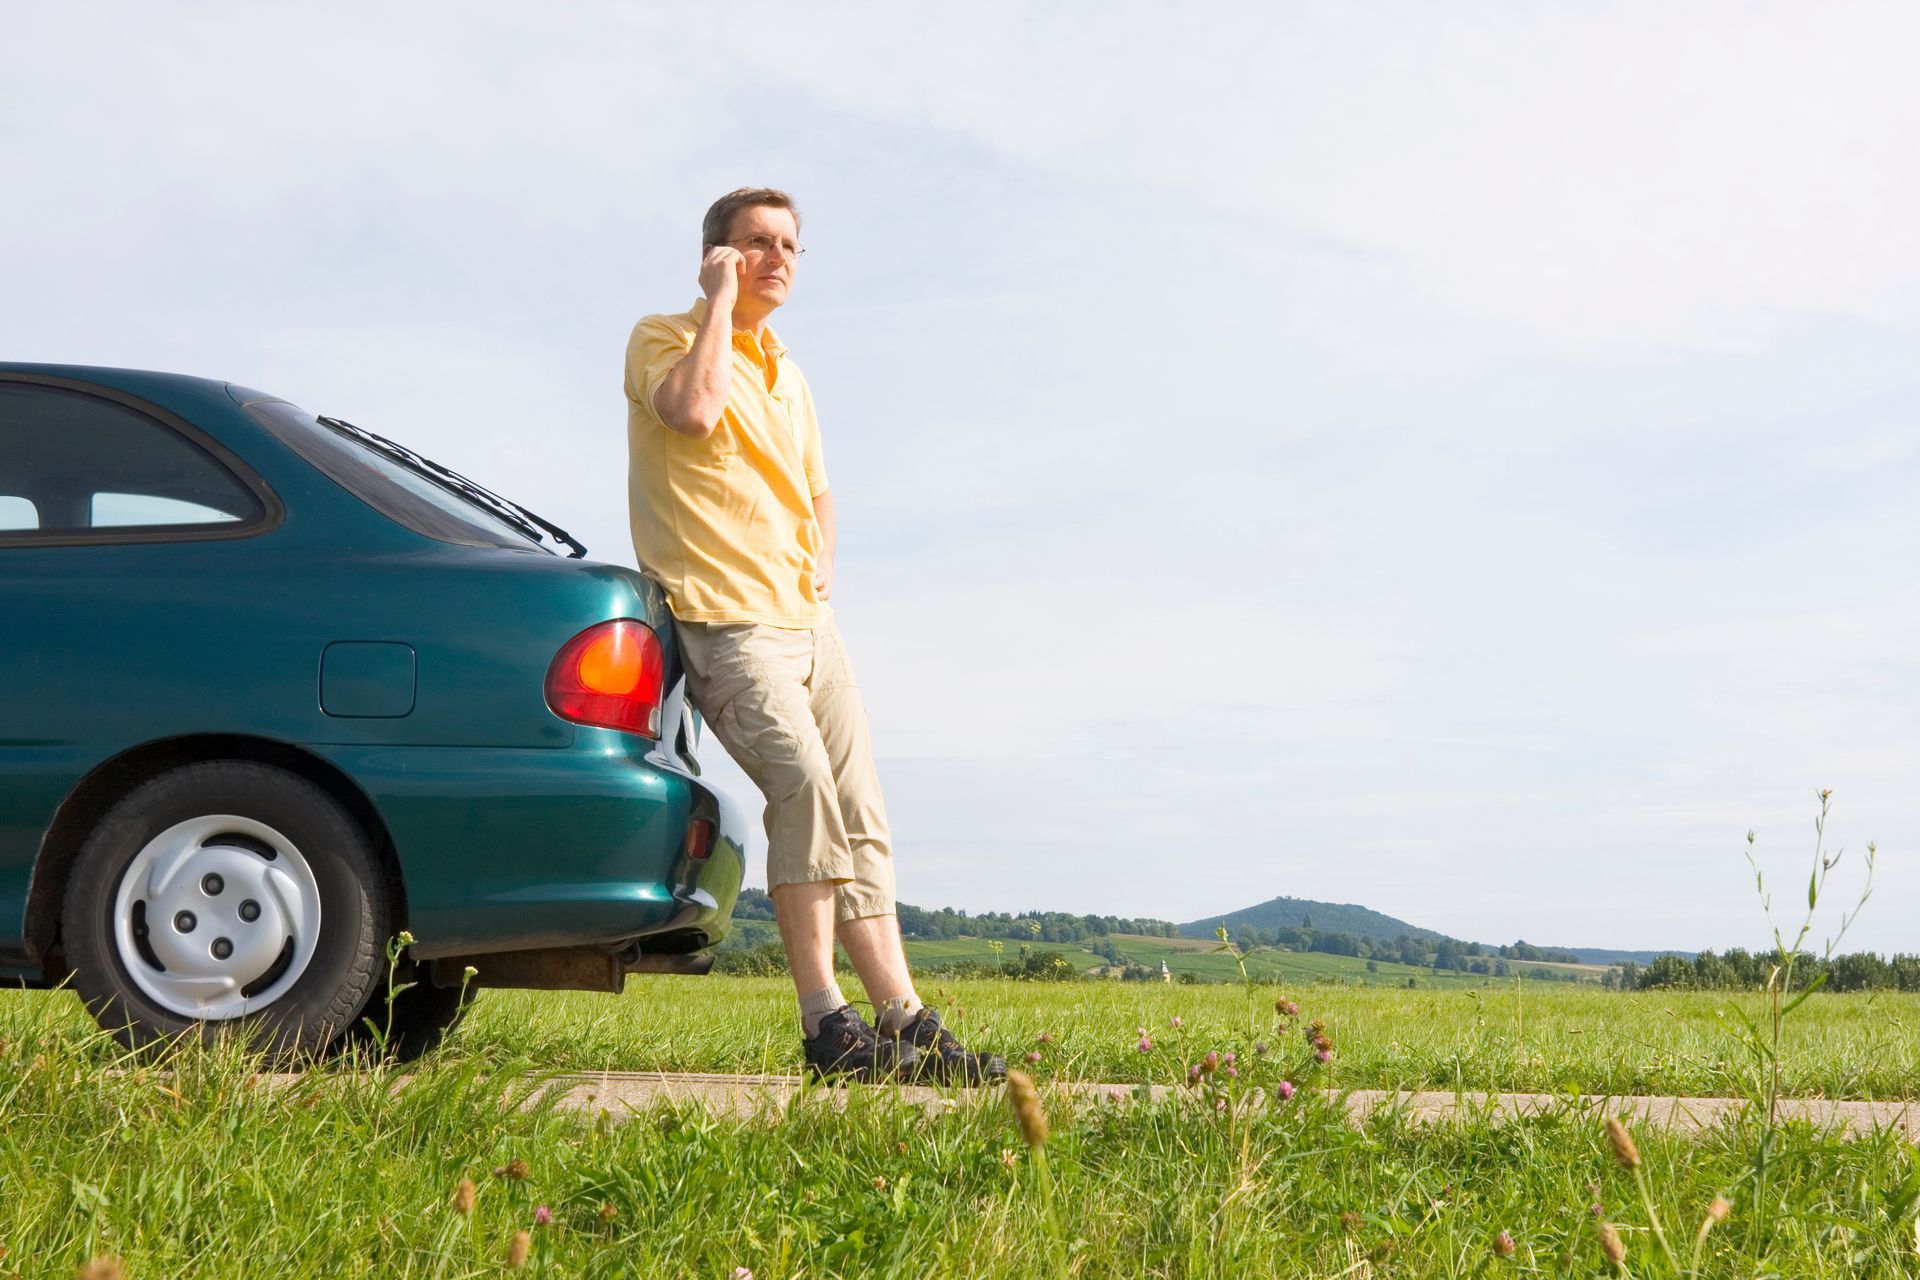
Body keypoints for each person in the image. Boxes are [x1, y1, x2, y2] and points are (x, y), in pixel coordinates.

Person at [623, 187, 1004, 1086]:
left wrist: (825, 558)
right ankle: (825, 1023)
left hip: (808, 623)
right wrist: (719, 304)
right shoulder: (665, 337)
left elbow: (819, 490)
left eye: (790, 245)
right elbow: (691, 413)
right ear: (716, 254)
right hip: (726, 617)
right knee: (805, 792)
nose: (778, 258)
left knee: (860, 812)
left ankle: (905, 1021)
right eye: (756, 243)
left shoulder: (790, 371)